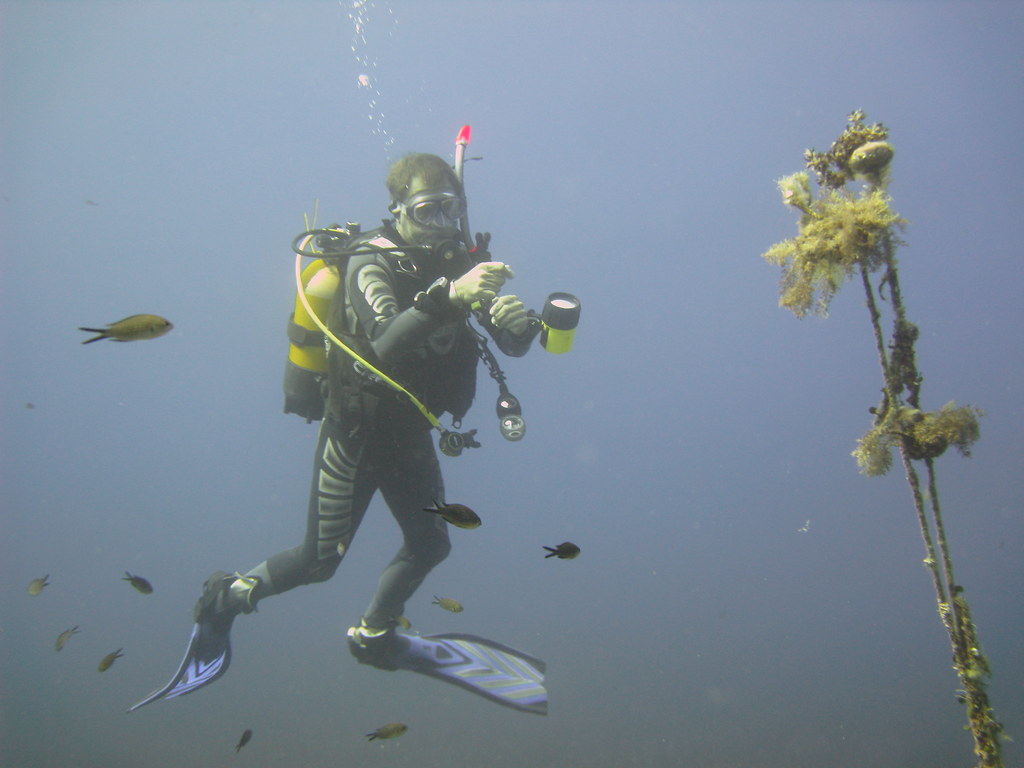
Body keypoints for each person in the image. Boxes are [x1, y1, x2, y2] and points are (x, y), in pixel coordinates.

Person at [196, 153, 538, 663]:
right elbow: (380, 344)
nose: (439, 225)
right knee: (318, 561)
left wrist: (516, 325)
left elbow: (506, 344)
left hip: (409, 436)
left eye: (449, 209)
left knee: (431, 546)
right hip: (355, 434)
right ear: (398, 210)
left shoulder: (460, 264)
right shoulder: (369, 260)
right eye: (426, 211)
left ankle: (373, 634)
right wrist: (449, 298)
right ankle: (224, 598)